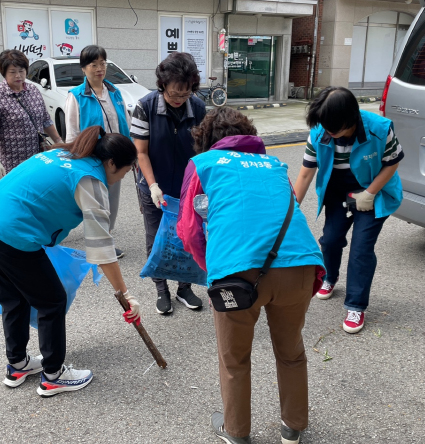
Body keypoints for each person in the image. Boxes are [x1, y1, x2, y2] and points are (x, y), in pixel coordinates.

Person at [177, 107, 325, 444]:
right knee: (291, 351)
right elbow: (285, 209)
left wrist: (213, 269)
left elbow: (188, 230)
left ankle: (237, 433)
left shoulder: (203, 165)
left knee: (234, 359)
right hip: (300, 264)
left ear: (207, 141)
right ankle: (293, 427)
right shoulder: (274, 165)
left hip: (237, 273)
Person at [0, 126, 141, 397]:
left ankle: (18, 365)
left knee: (14, 297)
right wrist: (125, 293)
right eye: (124, 172)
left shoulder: (63, 154)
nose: (120, 179)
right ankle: (53, 375)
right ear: (110, 163)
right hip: (12, 234)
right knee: (52, 301)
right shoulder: (90, 179)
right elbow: (101, 246)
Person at [293, 86, 404, 334]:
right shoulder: (320, 130)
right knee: (330, 240)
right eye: (326, 129)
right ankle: (330, 277)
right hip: (337, 189)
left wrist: (370, 193)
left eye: (335, 130)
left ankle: (356, 305)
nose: (329, 135)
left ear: (351, 119)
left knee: (361, 249)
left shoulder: (380, 129)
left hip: (372, 189)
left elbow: (392, 164)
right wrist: (290, 212)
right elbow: (305, 174)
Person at [131, 52, 207, 315]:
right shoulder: (146, 106)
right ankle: (161, 290)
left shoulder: (197, 108)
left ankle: (185, 288)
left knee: (189, 237)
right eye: (174, 93)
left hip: (187, 188)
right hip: (154, 187)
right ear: (162, 84)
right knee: (157, 240)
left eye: (185, 94)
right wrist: (152, 185)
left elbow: (202, 151)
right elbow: (141, 152)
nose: (179, 99)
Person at [64, 45, 131, 259]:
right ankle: (97, 245)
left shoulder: (115, 91)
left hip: (116, 155)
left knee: (112, 199)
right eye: (94, 65)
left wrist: (131, 153)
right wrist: (75, 159)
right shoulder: (76, 96)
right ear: (84, 69)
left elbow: (125, 124)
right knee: (96, 201)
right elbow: (73, 132)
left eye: (103, 63)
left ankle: (106, 239)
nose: (99, 68)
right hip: (92, 157)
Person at [0, 49, 63, 179]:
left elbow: (46, 120)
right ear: (4, 73)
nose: (18, 76)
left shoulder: (33, 90)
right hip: (11, 162)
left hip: (37, 158)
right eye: (12, 72)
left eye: (21, 71)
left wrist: (59, 142)